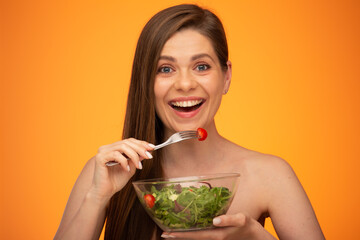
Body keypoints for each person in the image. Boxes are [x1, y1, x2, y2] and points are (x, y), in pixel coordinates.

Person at [54, 4, 325, 240]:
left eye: (202, 66)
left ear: (226, 76)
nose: (185, 84)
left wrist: (254, 236)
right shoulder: (106, 171)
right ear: (145, 82)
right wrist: (97, 197)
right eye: (166, 69)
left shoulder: (270, 175)